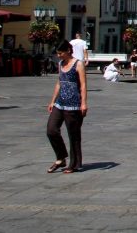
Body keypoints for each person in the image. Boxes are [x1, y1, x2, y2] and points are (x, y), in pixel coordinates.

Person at [46, 40, 88, 174]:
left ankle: (74, 164)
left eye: (60, 53)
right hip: (60, 102)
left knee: (73, 135)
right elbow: (59, 82)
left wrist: (84, 103)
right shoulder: (60, 64)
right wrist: (52, 100)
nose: (59, 56)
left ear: (68, 51)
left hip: (74, 104)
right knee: (51, 130)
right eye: (57, 53)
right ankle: (61, 157)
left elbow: (83, 85)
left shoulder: (78, 64)